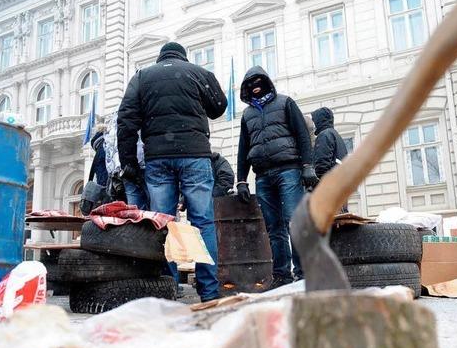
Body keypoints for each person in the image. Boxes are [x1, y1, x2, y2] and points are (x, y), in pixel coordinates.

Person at [117, 42, 228, 302]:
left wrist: (129, 162)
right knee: (202, 223)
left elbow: (126, 120)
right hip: (195, 155)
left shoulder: (142, 77)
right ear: (183, 56)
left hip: (158, 158)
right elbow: (219, 107)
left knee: (163, 224)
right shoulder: (198, 73)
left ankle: (168, 289)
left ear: (160, 57)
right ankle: (209, 291)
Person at [236, 66, 317, 288]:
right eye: (250, 84)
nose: (255, 87)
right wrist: (241, 180)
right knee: (274, 228)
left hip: (288, 171)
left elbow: (302, 135)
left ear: (267, 82)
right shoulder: (247, 115)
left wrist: (307, 165)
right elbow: (243, 149)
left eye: (258, 81)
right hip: (262, 176)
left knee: (294, 222)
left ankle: (302, 274)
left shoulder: (285, 103)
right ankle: (281, 275)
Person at [311, 107, 348, 211]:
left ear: (319, 120)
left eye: (314, 120)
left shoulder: (324, 135)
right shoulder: (336, 135)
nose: (313, 124)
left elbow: (321, 165)